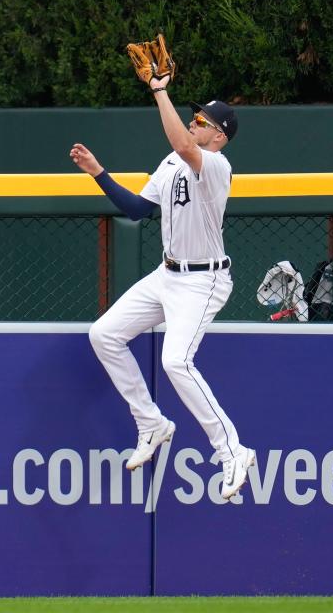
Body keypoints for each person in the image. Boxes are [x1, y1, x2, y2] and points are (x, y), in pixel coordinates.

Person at [69, 72, 255, 501]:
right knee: (104, 334)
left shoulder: (216, 165)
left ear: (220, 137)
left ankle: (232, 451)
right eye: (195, 117)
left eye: (204, 121)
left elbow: (185, 147)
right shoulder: (171, 163)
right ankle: (151, 422)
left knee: (176, 362)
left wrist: (159, 90)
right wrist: (99, 173)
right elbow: (137, 209)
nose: (195, 122)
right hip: (167, 275)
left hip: (203, 279)